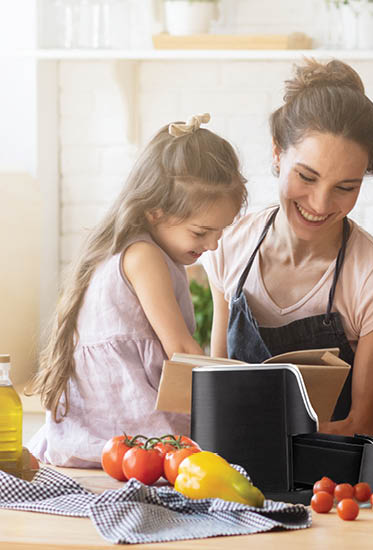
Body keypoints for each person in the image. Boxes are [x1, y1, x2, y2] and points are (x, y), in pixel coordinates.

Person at [204, 59, 373, 437]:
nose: (319, 203)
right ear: (277, 153)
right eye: (307, 176)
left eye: (345, 188)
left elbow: (361, 426)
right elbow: (217, 387)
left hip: (336, 485)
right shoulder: (229, 245)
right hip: (236, 481)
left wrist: (259, 438)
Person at [28, 114, 247, 466]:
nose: (213, 245)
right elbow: (179, 349)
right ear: (155, 213)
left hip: (102, 430)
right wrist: (237, 394)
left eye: (220, 232)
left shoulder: (135, 248)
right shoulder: (144, 256)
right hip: (127, 428)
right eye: (201, 232)